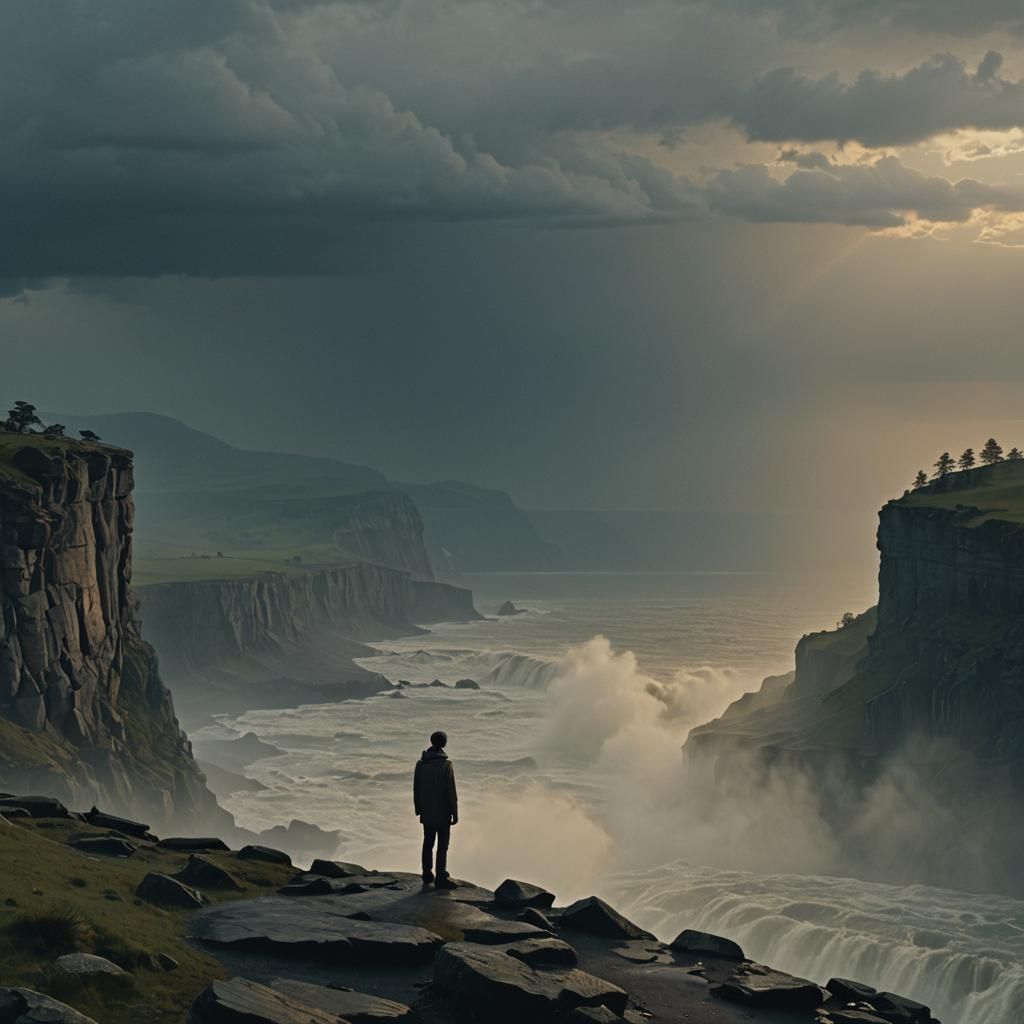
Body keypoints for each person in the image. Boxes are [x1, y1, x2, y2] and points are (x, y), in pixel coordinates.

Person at [414, 729, 458, 888]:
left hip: (427, 811)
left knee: (428, 842)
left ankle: (426, 873)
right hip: (443, 812)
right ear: (444, 744)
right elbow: (451, 791)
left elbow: (416, 788)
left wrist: (418, 809)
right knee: (442, 845)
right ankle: (440, 875)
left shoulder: (421, 764)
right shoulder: (446, 765)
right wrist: (454, 812)